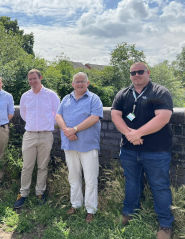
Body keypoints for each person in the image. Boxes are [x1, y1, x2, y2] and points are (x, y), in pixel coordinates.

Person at [111, 62, 174, 239]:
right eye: (133, 72)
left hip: (156, 151)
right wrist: (130, 135)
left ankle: (166, 224)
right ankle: (129, 213)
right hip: (129, 150)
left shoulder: (160, 92)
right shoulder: (123, 94)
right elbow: (116, 115)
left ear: (148, 72)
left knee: (160, 186)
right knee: (131, 182)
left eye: (140, 72)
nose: (136, 75)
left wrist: (137, 133)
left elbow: (163, 117)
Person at [55, 72, 103, 223]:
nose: (80, 84)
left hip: (88, 145)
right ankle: (75, 204)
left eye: (83, 81)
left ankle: (91, 210)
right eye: (77, 81)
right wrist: (67, 131)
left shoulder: (94, 99)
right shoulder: (66, 99)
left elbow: (95, 118)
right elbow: (58, 116)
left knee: (90, 179)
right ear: (72, 84)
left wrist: (74, 129)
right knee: (73, 177)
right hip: (70, 144)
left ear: (87, 83)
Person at [14, 69, 60, 208]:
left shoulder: (51, 95)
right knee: (27, 166)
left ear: (40, 78)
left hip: (46, 135)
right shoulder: (25, 96)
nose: (32, 81)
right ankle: (23, 193)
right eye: (30, 79)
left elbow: (58, 114)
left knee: (42, 166)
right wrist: (34, 124)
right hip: (30, 135)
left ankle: (40, 192)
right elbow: (23, 114)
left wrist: (47, 125)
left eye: (35, 78)